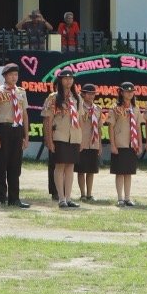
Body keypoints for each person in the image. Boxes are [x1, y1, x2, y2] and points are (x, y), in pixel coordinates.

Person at [0, 63, 30, 208]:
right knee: (1, 163)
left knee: (15, 165)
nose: (14, 77)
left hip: (17, 129)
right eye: (11, 75)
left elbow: (25, 114)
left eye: (16, 75)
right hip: (3, 128)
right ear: (5, 76)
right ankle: (0, 197)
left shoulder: (21, 92)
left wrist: (26, 136)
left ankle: (14, 198)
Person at [44, 70, 82, 208]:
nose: (68, 81)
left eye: (71, 78)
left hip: (74, 137)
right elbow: (48, 120)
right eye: (65, 78)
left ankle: (68, 197)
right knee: (60, 166)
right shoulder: (53, 98)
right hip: (60, 135)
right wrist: (49, 140)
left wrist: (81, 139)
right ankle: (61, 198)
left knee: (70, 167)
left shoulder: (77, 98)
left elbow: (80, 119)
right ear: (60, 80)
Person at [109, 81, 145, 207]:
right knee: (120, 172)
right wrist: (112, 145)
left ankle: (128, 197)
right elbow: (111, 127)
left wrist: (140, 144)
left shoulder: (135, 108)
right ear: (121, 92)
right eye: (126, 91)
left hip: (132, 144)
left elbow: (139, 127)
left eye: (131, 91)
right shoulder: (115, 108)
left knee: (129, 172)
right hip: (120, 143)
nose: (129, 93)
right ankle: (120, 198)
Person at [75, 83, 102, 202]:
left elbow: (99, 128)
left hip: (93, 143)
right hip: (82, 142)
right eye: (89, 94)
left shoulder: (97, 109)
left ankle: (90, 194)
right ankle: (82, 194)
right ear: (83, 94)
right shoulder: (79, 107)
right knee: (81, 170)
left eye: (93, 94)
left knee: (91, 170)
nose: (91, 96)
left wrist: (99, 144)